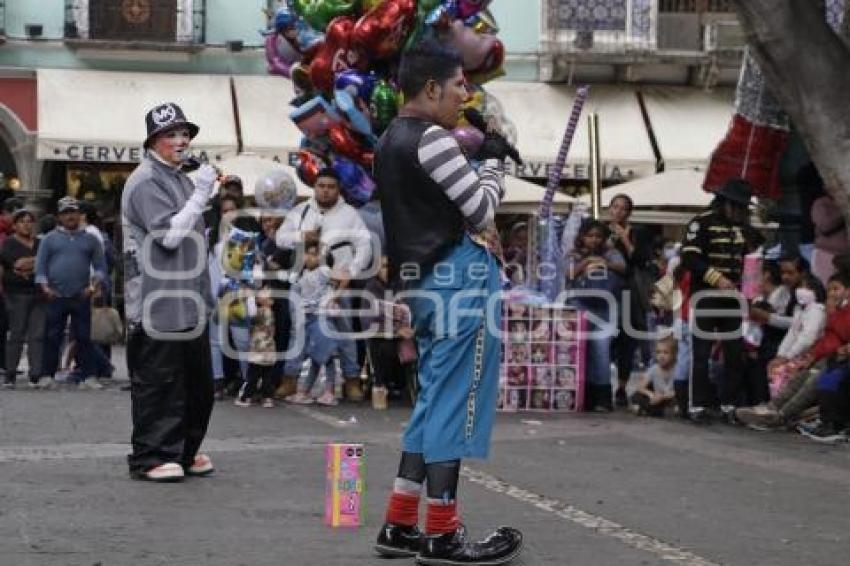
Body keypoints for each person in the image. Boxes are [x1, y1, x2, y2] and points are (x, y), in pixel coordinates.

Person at [372, 41, 522, 565]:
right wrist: (495, 165)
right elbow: (480, 210)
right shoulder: (433, 139)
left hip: (424, 284)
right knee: (454, 402)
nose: (466, 92)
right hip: (460, 279)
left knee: (434, 399)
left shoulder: (390, 139)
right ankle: (442, 532)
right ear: (432, 88)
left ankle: (399, 521)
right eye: (459, 83)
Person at [121, 102, 216, 482]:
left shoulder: (180, 178)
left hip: (188, 300)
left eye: (184, 134)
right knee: (159, 383)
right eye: (170, 135)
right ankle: (151, 456)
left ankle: (185, 449)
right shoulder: (146, 181)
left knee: (197, 384)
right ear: (153, 142)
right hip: (157, 299)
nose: (181, 141)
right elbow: (170, 236)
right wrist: (202, 194)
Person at [275, 168, 372, 402]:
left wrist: (353, 270)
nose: (325, 190)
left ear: (338, 189)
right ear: (314, 187)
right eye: (321, 186)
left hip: (338, 283)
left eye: (331, 186)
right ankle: (290, 379)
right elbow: (279, 237)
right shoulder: (300, 211)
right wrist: (302, 237)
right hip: (305, 284)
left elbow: (365, 244)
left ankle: (351, 381)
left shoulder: (349, 214)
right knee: (298, 332)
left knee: (344, 332)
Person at [679, 178, 763, 424]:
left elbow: (754, 257)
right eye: (737, 206)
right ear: (725, 203)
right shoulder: (701, 223)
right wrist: (716, 279)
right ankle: (697, 405)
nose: (740, 211)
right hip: (705, 297)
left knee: (734, 353)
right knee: (701, 353)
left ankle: (729, 404)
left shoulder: (744, 227)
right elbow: (690, 260)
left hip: (733, 300)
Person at [736, 271, 844, 429]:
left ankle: (782, 416)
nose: (832, 295)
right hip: (824, 357)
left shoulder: (825, 312)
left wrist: (833, 315)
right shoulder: (814, 311)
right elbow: (817, 341)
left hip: (835, 360)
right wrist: (791, 355)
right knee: (802, 376)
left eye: (836, 289)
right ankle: (772, 408)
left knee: (817, 378)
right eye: (830, 290)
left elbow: (828, 338)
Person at [34, 197, 107, 391]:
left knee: (84, 337)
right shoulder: (49, 239)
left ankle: (88, 375)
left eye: (73, 212)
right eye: (66, 213)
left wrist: (93, 286)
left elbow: (101, 267)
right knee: (51, 336)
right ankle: (46, 375)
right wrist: (44, 286)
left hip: (81, 294)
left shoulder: (90, 239)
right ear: (59, 216)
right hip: (55, 295)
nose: (70, 216)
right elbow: (40, 268)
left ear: (79, 214)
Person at [566, 219, 625, 411]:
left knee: (601, 349)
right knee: (580, 349)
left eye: (598, 236)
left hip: (606, 306)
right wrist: (586, 262)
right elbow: (569, 273)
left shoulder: (612, 253)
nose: (594, 240)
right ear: (582, 237)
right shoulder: (574, 254)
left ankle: (602, 398)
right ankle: (583, 396)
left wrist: (604, 262)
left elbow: (623, 267)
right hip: (579, 304)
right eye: (590, 236)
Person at [607, 194, 654, 408]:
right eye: (614, 207)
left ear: (629, 212)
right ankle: (599, 384)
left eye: (623, 208)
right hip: (607, 292)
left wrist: (625, 239)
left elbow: (641, 260)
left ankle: (621, 387)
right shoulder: (601, 231)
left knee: (627, 342)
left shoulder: (639, 232)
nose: (618, 211)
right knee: (606, 340)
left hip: (630, 293)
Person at [282, 242, 339, 406]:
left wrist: (335, 296)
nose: (308, 257)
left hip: (322, 317)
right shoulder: (306, 273)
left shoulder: (324, 270)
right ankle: (305, 391)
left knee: (326, 355)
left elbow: (344, 277)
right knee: (316, 355)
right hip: (311, 317)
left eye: (314, 254)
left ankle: (329, 391)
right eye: (308, 254)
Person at [0, 209, 46, 389]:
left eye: (29, 221)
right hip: (16, 294)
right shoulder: (9, 243)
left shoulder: (41, 243)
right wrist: (34, 262)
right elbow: (16, 264)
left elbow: (44, 263)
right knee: (17, 334)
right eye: (22, 221)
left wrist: (27, 264)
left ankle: (35, 374)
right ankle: (10, 373)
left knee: (37, 335)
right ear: (15, 225)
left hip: (39, 294)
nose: (26, 224)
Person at [234, 286, 278, 408]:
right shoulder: (270, 313)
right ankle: (267, 398)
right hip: (268, 349)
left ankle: (246, 397)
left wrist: (249, 298)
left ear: (270, 301)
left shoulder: (263, 312)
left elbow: (251, 317)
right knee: (266, 376)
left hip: (259, 350)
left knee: (253, 375)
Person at [630, 335, 678, 417]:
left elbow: (679, 391)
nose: (661, 356)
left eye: (666, 353)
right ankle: (656, 411)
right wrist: (651, 395)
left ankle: (645, 410)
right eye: (658, 352)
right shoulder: (654, 369)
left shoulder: (677, 369)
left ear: (674, 355)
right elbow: (640, 387)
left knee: (677, 401)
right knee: (635, 396)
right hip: (656, 397)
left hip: (670, 398)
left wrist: (663, 397)